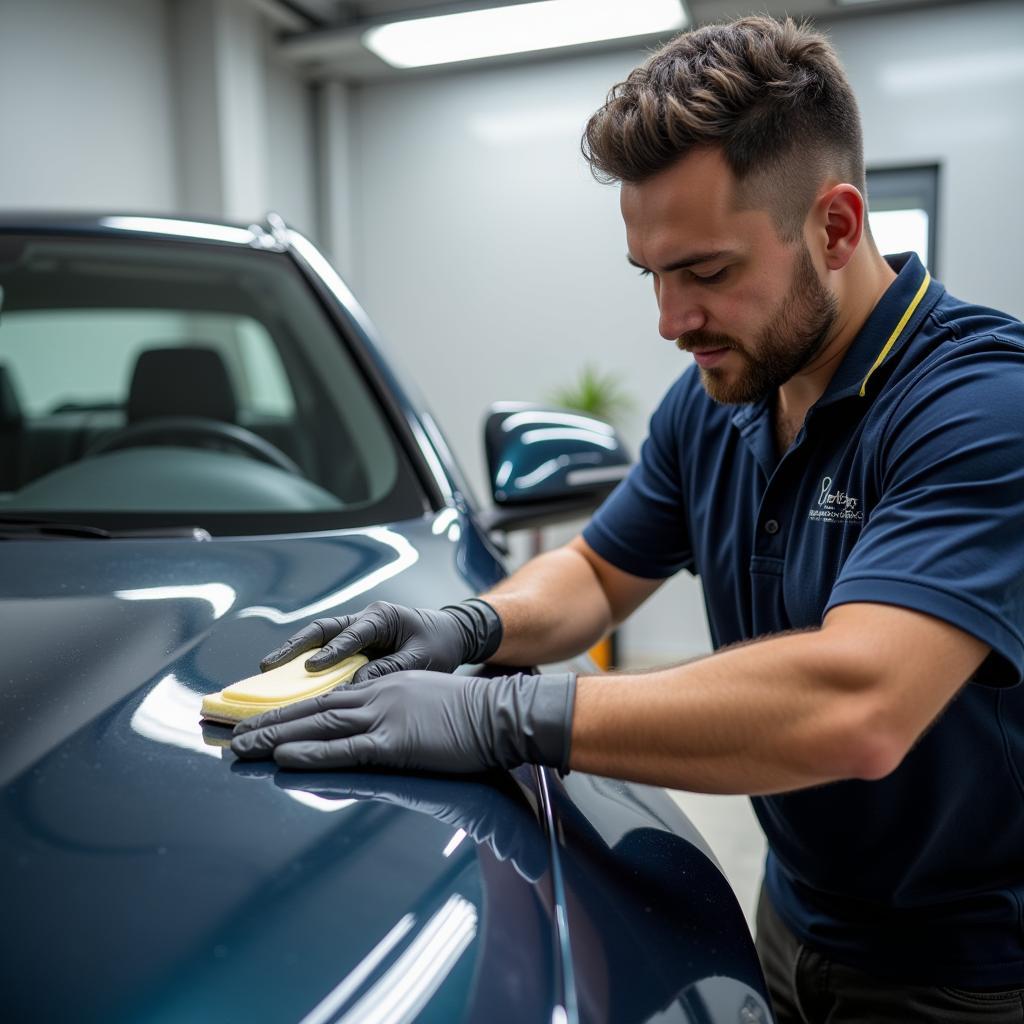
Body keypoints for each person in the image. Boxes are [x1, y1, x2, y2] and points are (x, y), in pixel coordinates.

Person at [232, 15, 1024, 1021]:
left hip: (967, 974)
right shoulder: (717, 400)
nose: (668, 319)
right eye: (650, 273)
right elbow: (602, 574)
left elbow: (857, 704)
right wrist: (473, 625)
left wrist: (500, 715)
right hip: (787, 918)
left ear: (833, 225)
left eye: (705, 271)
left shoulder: (978, 404)